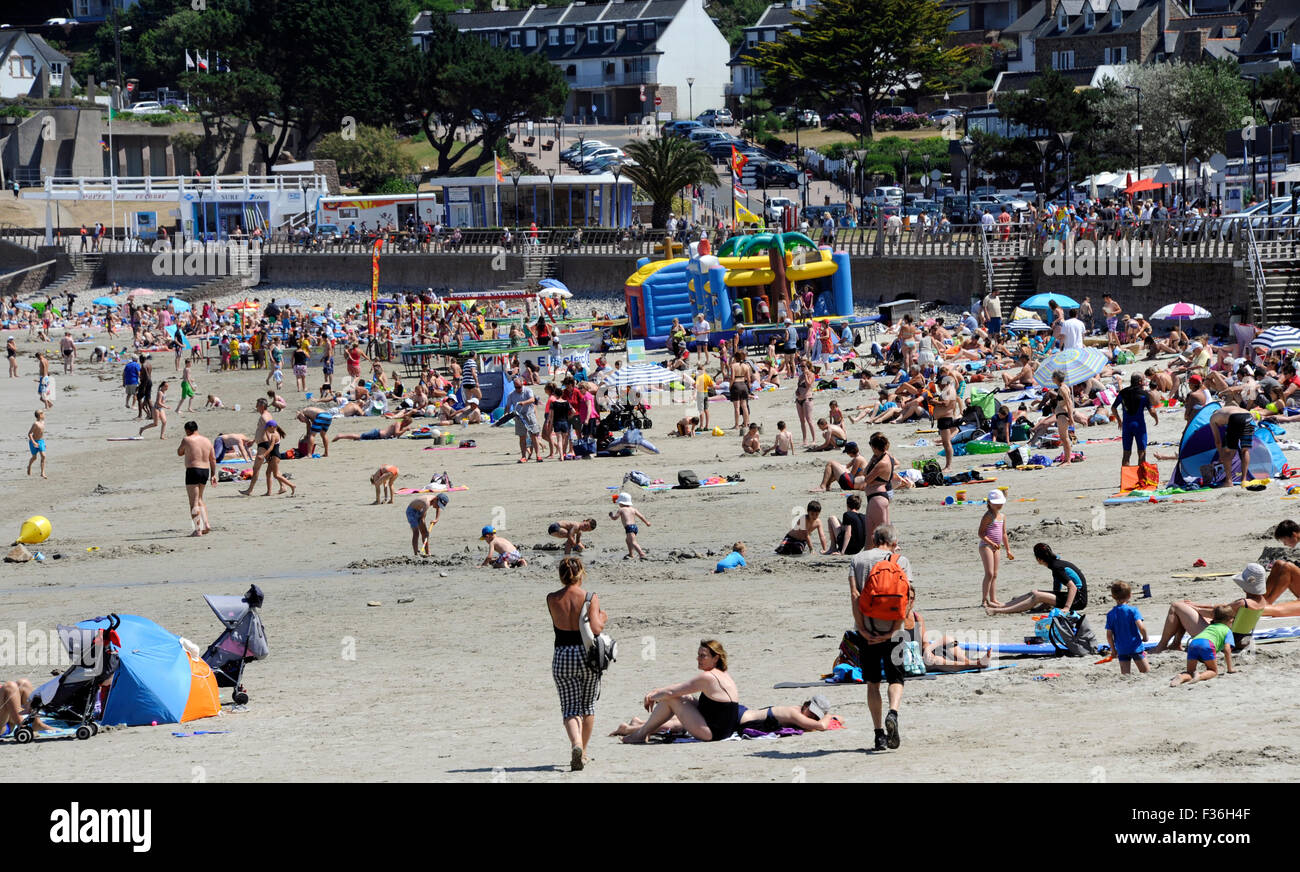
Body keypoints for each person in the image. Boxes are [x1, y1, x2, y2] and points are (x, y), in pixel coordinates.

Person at [848, 524, 908, 750]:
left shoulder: (858, 560)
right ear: (893, 542)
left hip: (867, 631)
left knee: (873, 683)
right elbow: (907, 598)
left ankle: (878, 735)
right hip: (894, 631)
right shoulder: (901, 561)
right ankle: (893, 712)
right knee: (896, 678)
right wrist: (892, 630)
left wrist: (862, 630)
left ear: (873, 540)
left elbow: (855, 595)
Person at [620, 640, 740, 744]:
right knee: (683, 696)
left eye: (703, 656)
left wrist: (652, 697)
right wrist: (657, 692)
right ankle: (640, 729)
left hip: (712, 734)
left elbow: (672, 692)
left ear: (716, 658)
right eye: (698, 655)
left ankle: (641, 734)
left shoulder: (708, 677)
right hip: (724, 731)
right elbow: (681, 689)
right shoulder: (723, 674)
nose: (698, 659)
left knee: (671, 699)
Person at [548, 556, 605, 769]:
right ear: (581, 573)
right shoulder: (589, 597)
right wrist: (603, 616)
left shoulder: (552, 598)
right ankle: (584, 752)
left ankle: (576, 744)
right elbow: (597, 629)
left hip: (562, 655)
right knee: (588, 705)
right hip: (586, 655)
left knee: (570, 708)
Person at [1154, 563, 1268, 651]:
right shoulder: (1261, 602)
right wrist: (1195, 605)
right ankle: (1175, 644)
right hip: (1238, 640)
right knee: (1185, 610)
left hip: (1220, 639)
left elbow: (1214, 613)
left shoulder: (1242, 603)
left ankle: (1161, 646)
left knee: (1176, 606)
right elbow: (1223, 608)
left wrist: (1195, 609)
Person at [986, 542, 1087, 615]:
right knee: (1035, 592)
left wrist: (1066, 608)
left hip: (1079, 600)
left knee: (1037, 596)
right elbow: (1056, 590)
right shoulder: (1055, 564)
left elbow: (1072, 587)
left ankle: (998, 611)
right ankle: (1002, 605)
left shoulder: (1057, 567)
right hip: (1073, 597)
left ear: (1039, 559)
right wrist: (1045, 603)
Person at [1169, 605, 1236, 687]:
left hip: (1193, 643)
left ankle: (1181, 677)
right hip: (1207, 644)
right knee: (1213, 671)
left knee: (1190, 672)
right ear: (1231, 620)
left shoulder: (1210, 627)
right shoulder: (1227, 630)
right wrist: (1230, 669)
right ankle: (1200, 676)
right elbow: (1227, 649)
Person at [1113, 372, 1159, 469]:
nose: (1145, 381)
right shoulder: (1144, 394)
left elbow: (1113, 408)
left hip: (1127, 426)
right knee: (1141, 452)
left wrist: (1119, 420)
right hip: (1139, 426)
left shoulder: (1123, 392)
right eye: (1143, 380)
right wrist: (1156, 418)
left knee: (1126, 453)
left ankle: (1125, 481)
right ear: (1139, 382)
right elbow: (1152, 410)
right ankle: (1141, 480)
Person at [977, 489, 1014, 608]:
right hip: (986, 546)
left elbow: (1004, 533)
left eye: (1001, 503)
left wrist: (1008, 549)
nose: (999, 505)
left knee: (995, 574)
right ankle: (984, 600)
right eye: (996, 503)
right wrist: (991, 543)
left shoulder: (1002, 516)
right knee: (989, 573)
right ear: (989, 503)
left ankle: (993, 599)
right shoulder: (988, 516)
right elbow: (981, 533)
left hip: (997, 547)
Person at [1104, 582, 1149, 675]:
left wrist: (1113, 650)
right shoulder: (1133, 610)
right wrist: (1145, 637)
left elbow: (1109, 636)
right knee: (1146, 671)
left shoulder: (1111, 614)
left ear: (1113, 596)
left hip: (1121, 649)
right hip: (1136, 647)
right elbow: (1141, 627)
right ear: (1130, 595)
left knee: (1125, 674)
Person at [1209, 404, 1258, 486]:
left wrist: (1221, 454)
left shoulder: (1212, 418)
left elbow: (1217, 441)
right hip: (1249, 416)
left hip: (1235, 417)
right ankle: (1244, 480)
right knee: (1245, 450)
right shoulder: (1226, 410)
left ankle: (1229, 481)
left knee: (1227, 452)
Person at [609, 492, 650, 560]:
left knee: (633, 542)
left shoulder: (621, 509)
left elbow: (615, 518)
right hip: (634, 527)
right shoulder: (633, 509)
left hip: (629, 527)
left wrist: (611, 516)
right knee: (628, 540)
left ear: (621, 503)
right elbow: (641, 516)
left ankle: (641, 553)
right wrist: (647, 522)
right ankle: (631, 554)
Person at [331, 412, 416, 442]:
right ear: (405, 421)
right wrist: (405, 430)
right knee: (358, 436)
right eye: (407, 423)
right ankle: (340, 436)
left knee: (358, 438)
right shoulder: (398, 423)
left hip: (378, 434)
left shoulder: (400, 425)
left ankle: (342, 436)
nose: (407, 425)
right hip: (377, 434)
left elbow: (396, 435)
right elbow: (397, 434)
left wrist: (403, 430)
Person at [1050, 369, 1075, 464]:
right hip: (1061, 414)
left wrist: (1071, 417)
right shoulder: (1063, 387)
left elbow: (1069, 402)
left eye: (1053, 377)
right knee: (1064, 438)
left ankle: (1067, 460)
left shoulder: (1063, 388)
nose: (1052, 379)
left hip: (1063, 414)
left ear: (1056, 378)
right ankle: (1066, 459)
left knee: (1064, 438)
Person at [26, 409, 46, 479]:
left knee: (43, 456)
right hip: (33, 442)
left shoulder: (43, 422)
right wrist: (34, 442)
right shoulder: (35, 424)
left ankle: (42, 472)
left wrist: (44, 443)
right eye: (43, 413)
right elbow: (29, 434)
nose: (44, 415)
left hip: (41, 441)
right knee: (34, 457)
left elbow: (41, 433)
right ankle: (29, 466)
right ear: (40, 415)